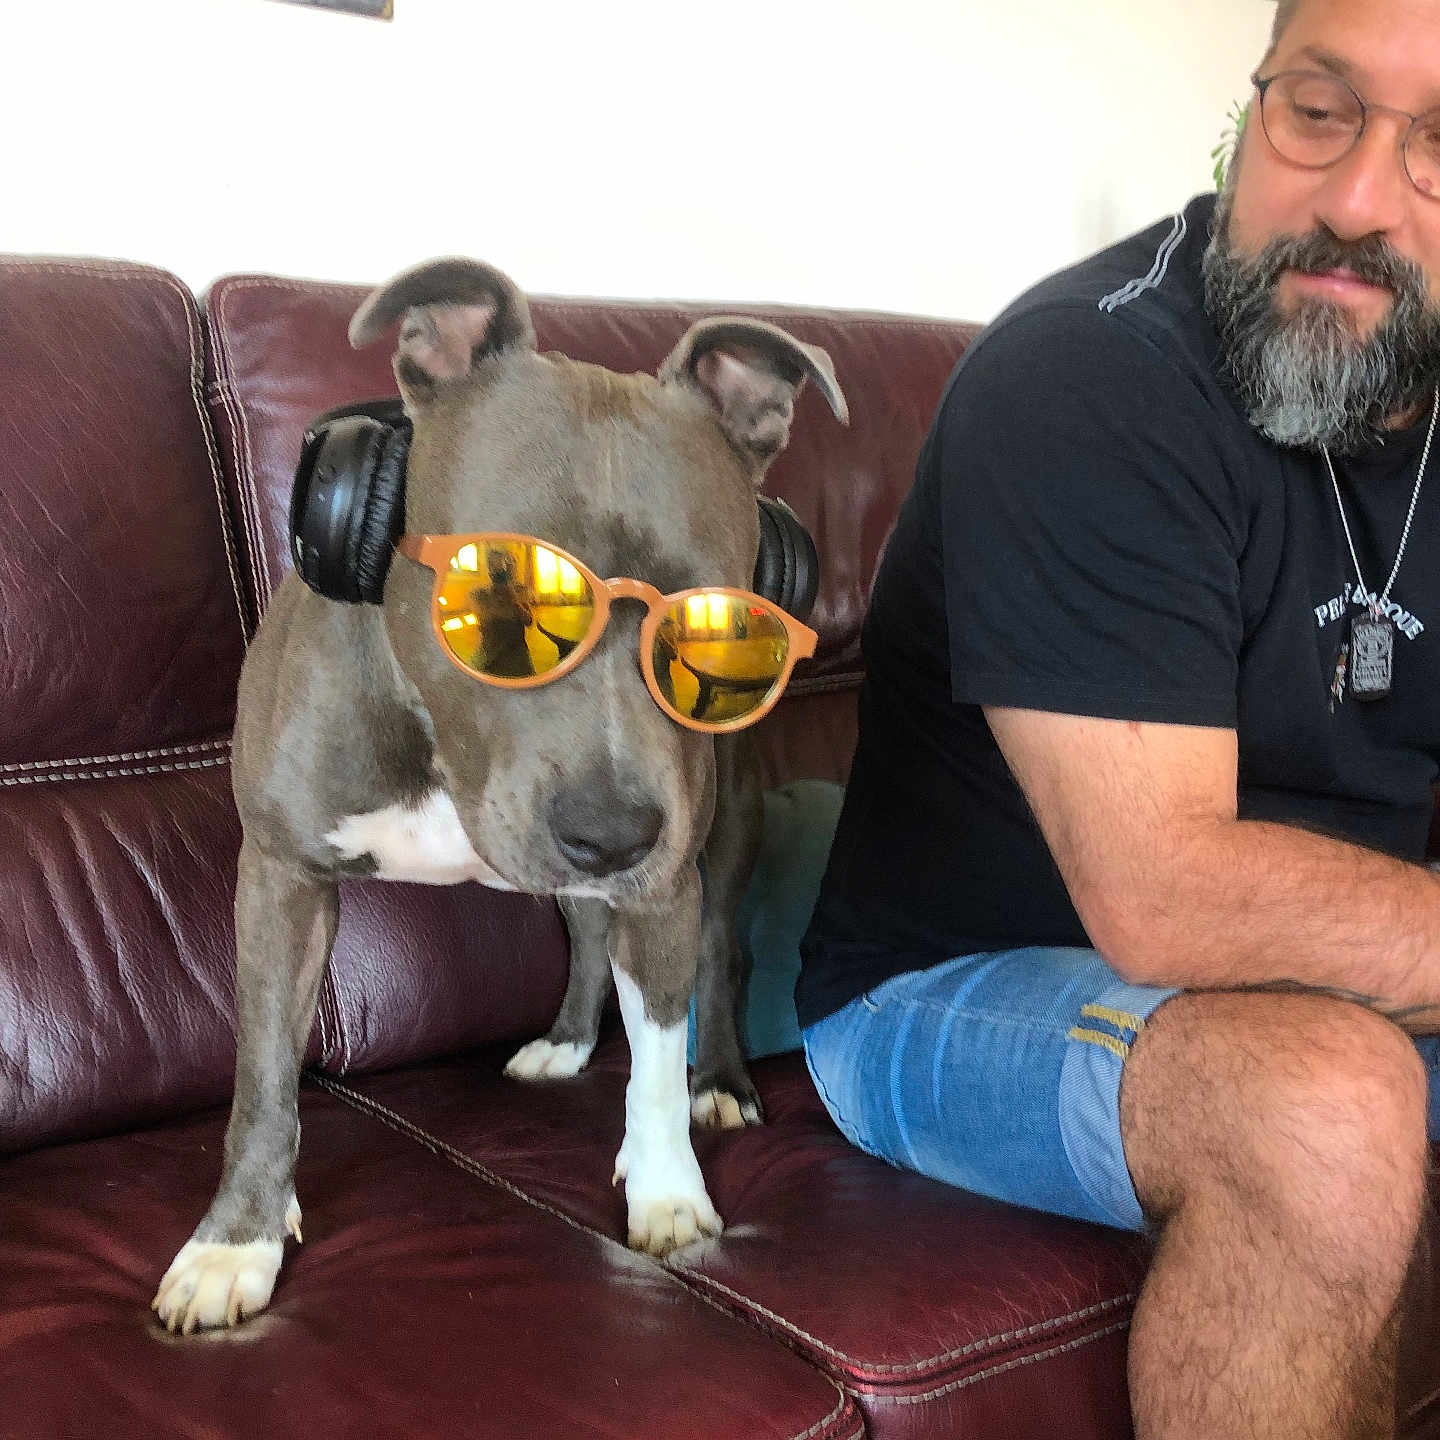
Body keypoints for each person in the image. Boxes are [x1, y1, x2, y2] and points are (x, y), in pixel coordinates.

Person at [797, 1, 1440, 1435]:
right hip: (955, 986)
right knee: (1321, 1110)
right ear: (1251, 105)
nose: (1352, 199)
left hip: (1321, 975)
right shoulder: (1090, 376)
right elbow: (1167, 902)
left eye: (1439, 148)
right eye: (1319, 110)